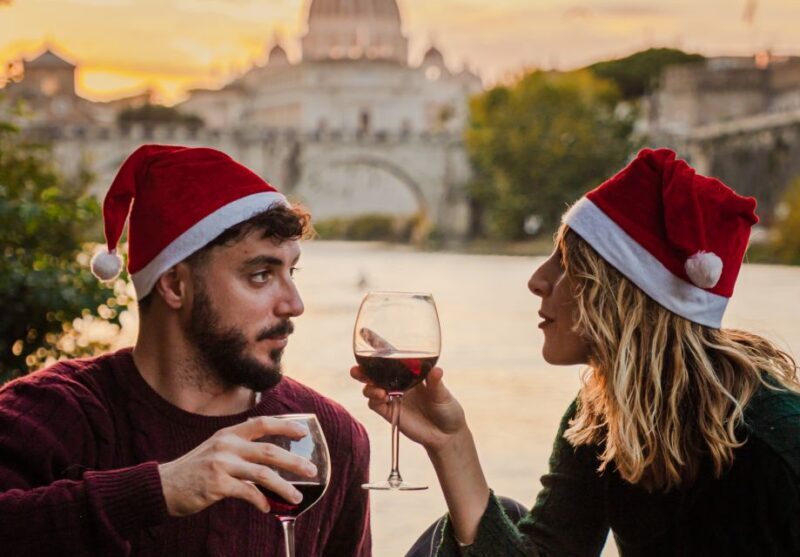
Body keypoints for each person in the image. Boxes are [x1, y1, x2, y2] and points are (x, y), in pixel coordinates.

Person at [353, 148, 800, 556]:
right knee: (464, 531)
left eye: (565, 263)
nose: (537, 280)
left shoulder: (777, 440)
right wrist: (450, 442)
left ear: (622, 294)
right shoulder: (605, 416)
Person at [0, 145, 371, 556]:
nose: (294, 303)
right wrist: (159, 490)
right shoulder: (48, 416)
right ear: (175, 285)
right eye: (261, 275)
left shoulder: (329, 439)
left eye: (291, 271)